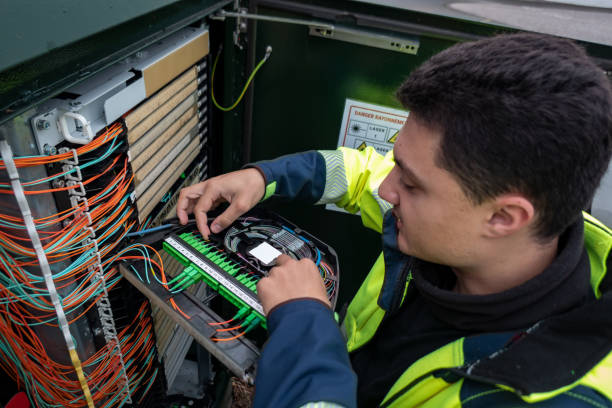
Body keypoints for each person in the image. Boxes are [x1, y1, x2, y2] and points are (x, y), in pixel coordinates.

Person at [177, 33, 612, 407]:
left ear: (503, 216)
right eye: (397, 163)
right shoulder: (458, 224)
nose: (387, 190)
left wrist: (303, 325)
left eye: (413, 184)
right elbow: (359, 173)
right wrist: (263, 177)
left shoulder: (545, 393)